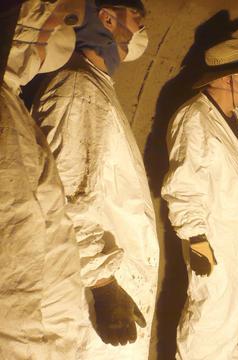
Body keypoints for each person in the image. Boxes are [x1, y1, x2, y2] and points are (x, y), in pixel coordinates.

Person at [31, 0, 158, 358]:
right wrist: (102, 286)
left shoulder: (92, 86)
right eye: (137, 19)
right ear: (106, 18)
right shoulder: (77, 88)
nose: (140, 31)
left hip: (107, 278)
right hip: (91, 289)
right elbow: (66, 196)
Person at [161, 38, 238, 360]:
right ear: (226, 79)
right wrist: (196, 237)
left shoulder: (235, 119)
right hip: (216, 241)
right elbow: (184, 183)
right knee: (210, 321)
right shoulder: (194, 118)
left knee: (234, 321)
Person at [0, 1, 85, 358]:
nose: (46, 45)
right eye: (45, 30)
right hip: (30, 335)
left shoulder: (10, 101)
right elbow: (12, 255)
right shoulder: (4, 112)